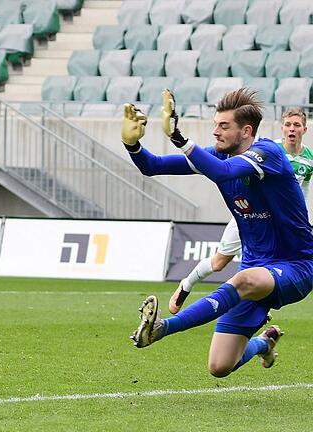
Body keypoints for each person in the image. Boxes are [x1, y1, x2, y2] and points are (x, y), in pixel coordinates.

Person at [123, 88, 313, 377]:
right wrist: (132, 144)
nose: (215, 132)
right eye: (215, 125)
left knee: (244, 279)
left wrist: (179, 137)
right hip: (255, 267)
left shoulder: (268, 154)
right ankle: (263, 344)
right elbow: (152, 166)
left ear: (246, 131)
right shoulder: (216, 157)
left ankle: (161, 328)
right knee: (220, 366)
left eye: (224, 126)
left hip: (296, 266)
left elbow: (222, 173)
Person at [169, 108, 313, 314]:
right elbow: (229, 170)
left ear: (304, 129)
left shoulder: (309, 159)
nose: (292, 129)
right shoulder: (271, 151)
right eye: (288, 124)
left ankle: (258, 310)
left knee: (273, 264)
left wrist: (303, 218)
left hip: (282, 221)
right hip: (251, 216)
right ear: (282, 128)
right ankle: (187, 284)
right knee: (219, 262)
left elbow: (303, 189)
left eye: (296, 125)